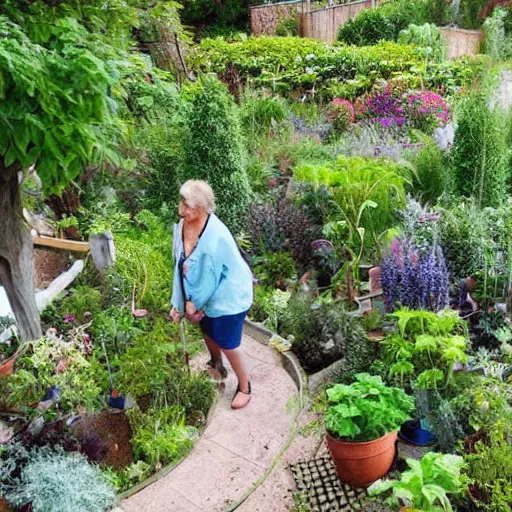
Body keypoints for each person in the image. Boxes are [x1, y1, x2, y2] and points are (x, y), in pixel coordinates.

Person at [169, 180, 254, 409]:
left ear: (203, 208)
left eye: (188, 206)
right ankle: (217, 366)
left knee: (227, 341)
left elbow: (210, 279)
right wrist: (177, 303)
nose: (182, 210)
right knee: (207, 330)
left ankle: (245, 387)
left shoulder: (215, 237)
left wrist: (192, 303)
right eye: (182, 203)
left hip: (229, 294)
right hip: (205, 296)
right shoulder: (181, 227)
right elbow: (178, 265)